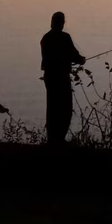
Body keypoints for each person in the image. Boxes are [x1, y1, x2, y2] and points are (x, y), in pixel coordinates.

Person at [41, 11, 85, 145]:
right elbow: (74, 55)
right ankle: (59, 138)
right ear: (62, 23)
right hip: (61, 76)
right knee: (65, 107)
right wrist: (81, 60)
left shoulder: (46, 38)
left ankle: (52, 138)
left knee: (52, 107)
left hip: (49, 77)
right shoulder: (65, 37)